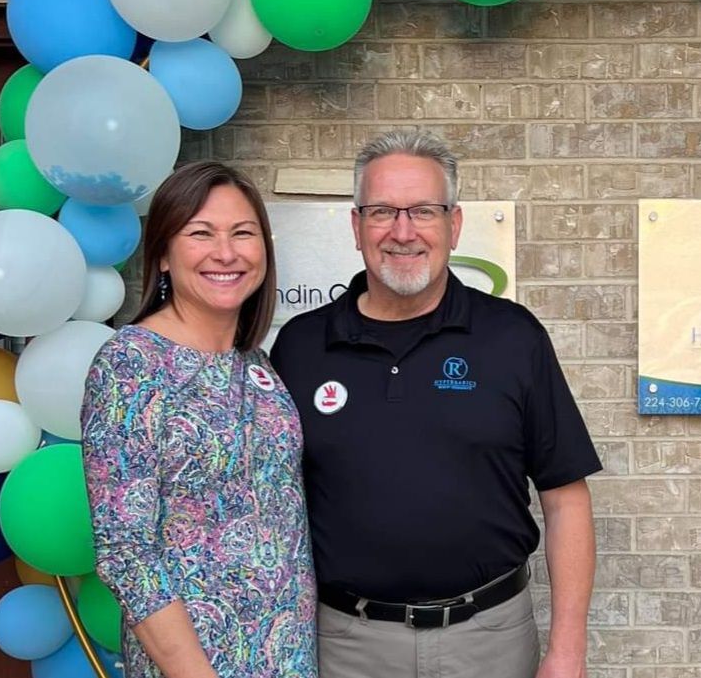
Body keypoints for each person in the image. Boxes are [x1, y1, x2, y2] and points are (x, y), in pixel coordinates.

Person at [271, 131, 601, 678]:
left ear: (455, 223)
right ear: (356, 227)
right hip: (346, 646)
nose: (403, 231)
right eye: (382, 211)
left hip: (490, 640)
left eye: (423, 210)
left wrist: (568, 649)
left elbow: (566, 497)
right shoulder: (302, 347)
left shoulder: (512, 338)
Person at [81, 162, 317, 678]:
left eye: (243, 233)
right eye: (201, 234)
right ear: (163, 254)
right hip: (193, 665)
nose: (226, 253)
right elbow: (127, 554)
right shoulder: (131, 365)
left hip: (287, 657)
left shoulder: (255, 363)